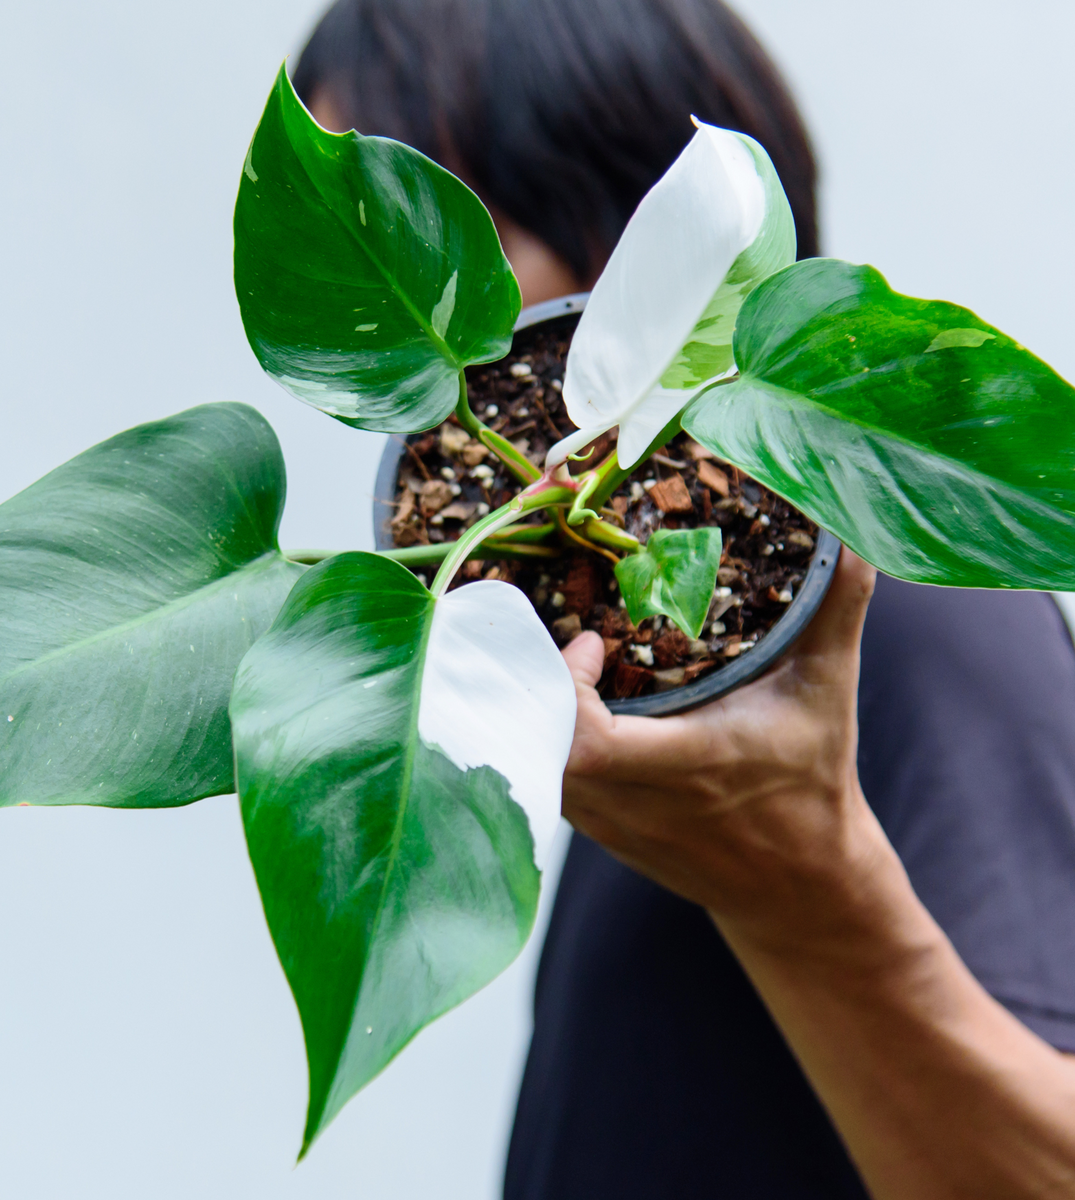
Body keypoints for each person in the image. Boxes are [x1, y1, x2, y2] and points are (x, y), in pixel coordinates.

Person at [294, 1, 1075, 1195]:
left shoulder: (896, 613)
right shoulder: (641, 665)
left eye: (422, 236)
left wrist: (800, 890)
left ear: (624, 227)